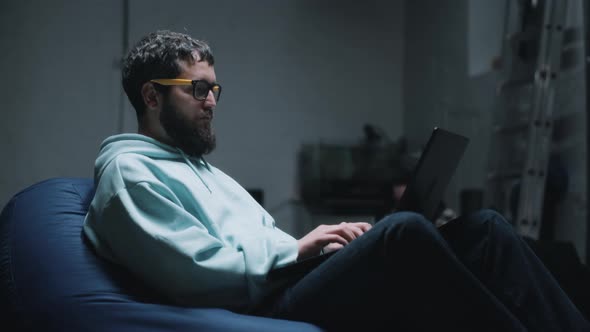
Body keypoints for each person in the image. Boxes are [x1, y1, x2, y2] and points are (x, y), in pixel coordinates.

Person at [83, 30, 589, 331]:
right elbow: (191, 271)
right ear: (151, 96)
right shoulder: (129, 174)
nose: (212, 101)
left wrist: (324, 248)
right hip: (264, 305)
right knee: (404, 233)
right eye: (198, 89)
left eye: (215, 89)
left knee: (486, 230)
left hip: (287, 278)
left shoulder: (201, 170)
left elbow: (264, 241)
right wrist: (297, 251)